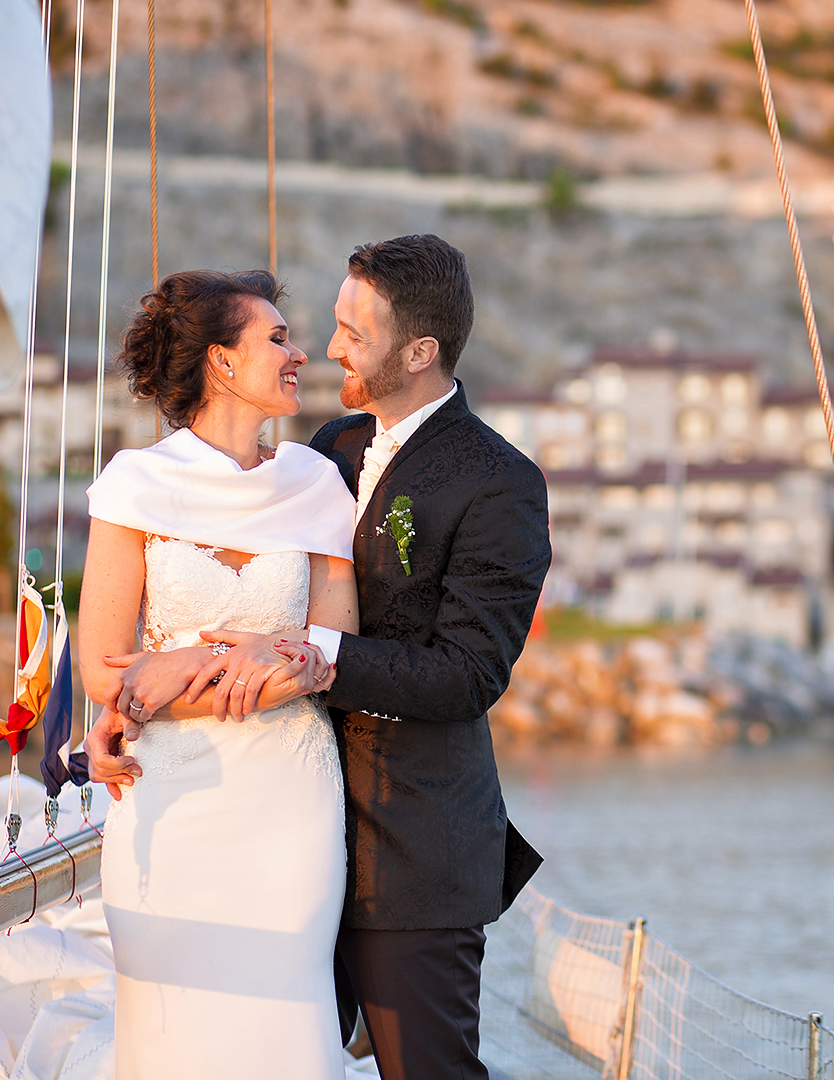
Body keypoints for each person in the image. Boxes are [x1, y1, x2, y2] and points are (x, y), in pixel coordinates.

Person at [93, 235, 550, 1079]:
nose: (329, 347)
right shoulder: (332, 451)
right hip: (265, 817)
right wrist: (123, 703)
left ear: (418, 352)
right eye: (325, 326)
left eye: (352, 332)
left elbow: (467, 674)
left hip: (406, 847)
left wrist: (302, 653)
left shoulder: (499, 480)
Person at [78, 268, 359, 1078]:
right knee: (174, 1036)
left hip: (290, 813)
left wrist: (181, 668)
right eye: (277, 338)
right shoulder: (136, 484)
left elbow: (331, 653)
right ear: (222, 362)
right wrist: (220, 658)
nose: (300, 352)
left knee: (286, 1034)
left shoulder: (316, 482)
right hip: (171, 801)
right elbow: (107, 671)